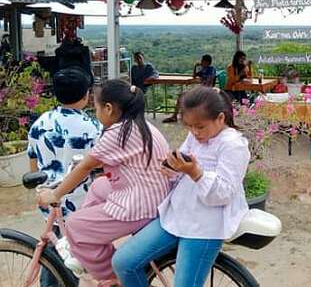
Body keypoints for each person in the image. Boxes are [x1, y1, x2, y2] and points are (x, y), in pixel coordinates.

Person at [36, 79, 171, 285]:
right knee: (99, 186)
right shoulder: (142, 126)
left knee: (75, 225)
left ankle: (112, 275)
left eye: (96, 108)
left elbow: (86, 166)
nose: (96, 113)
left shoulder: (118, 133)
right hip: (154, 194)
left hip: (140, 205)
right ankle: (93, 243)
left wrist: (55, 194)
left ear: (108, 108)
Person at [112, 87, 250, 286]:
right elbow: (183, 160)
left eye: (200, 127)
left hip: (207, 226)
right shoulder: (195, 136)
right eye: (190, 127)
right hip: (178, 214)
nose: (194, 132)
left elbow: (225, 193)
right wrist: (173, 168)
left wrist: (195, 173)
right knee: (124, 262)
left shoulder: (233, 145)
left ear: (220, 118)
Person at [27, 67, 102, 287]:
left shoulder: (39, 123)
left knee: (53, 254)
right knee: (79, 261)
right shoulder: (93, 128)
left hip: (48, 200)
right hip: (82, 205)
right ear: (86, 95)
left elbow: (33, 164)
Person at [163, 54, 216, 123]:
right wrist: (195, 67)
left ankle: (181, 116)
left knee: (184, 96)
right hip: (200, 90)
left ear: (207, 62)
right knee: (181, 96)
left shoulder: (211, 69)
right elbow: (194, 76)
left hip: (205, 91)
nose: (201, 62)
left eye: (202, 61)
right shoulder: (204, 70)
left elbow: (210, 82)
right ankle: (175, 116)